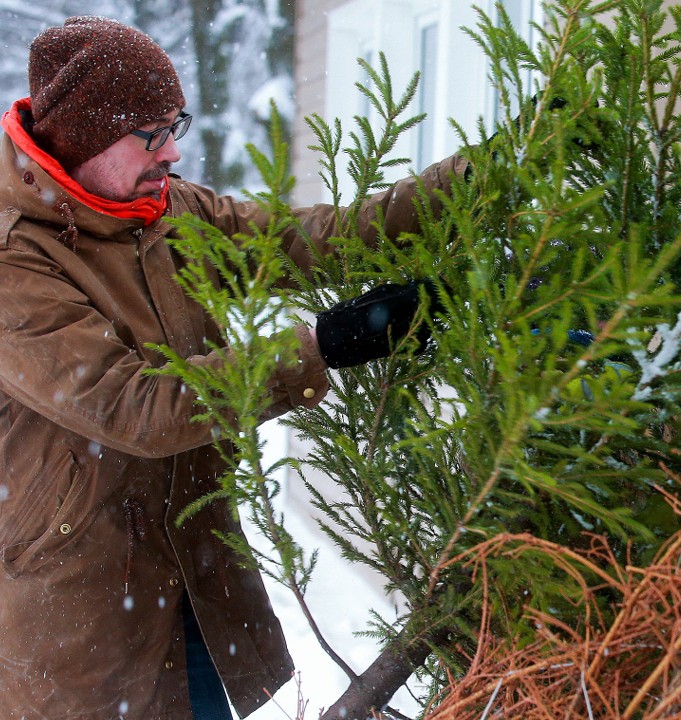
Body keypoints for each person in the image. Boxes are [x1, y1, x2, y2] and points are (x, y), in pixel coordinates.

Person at [0, 15, 467, 720]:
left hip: (188, 568)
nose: (174, 155)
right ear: (87, 138)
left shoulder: (163, 211)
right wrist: (323, 346)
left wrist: (476, 177)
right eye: (152, 136)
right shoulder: (16, 260)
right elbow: (132, 406)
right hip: (80, 605)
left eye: (175, 126)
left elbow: (316, 238)